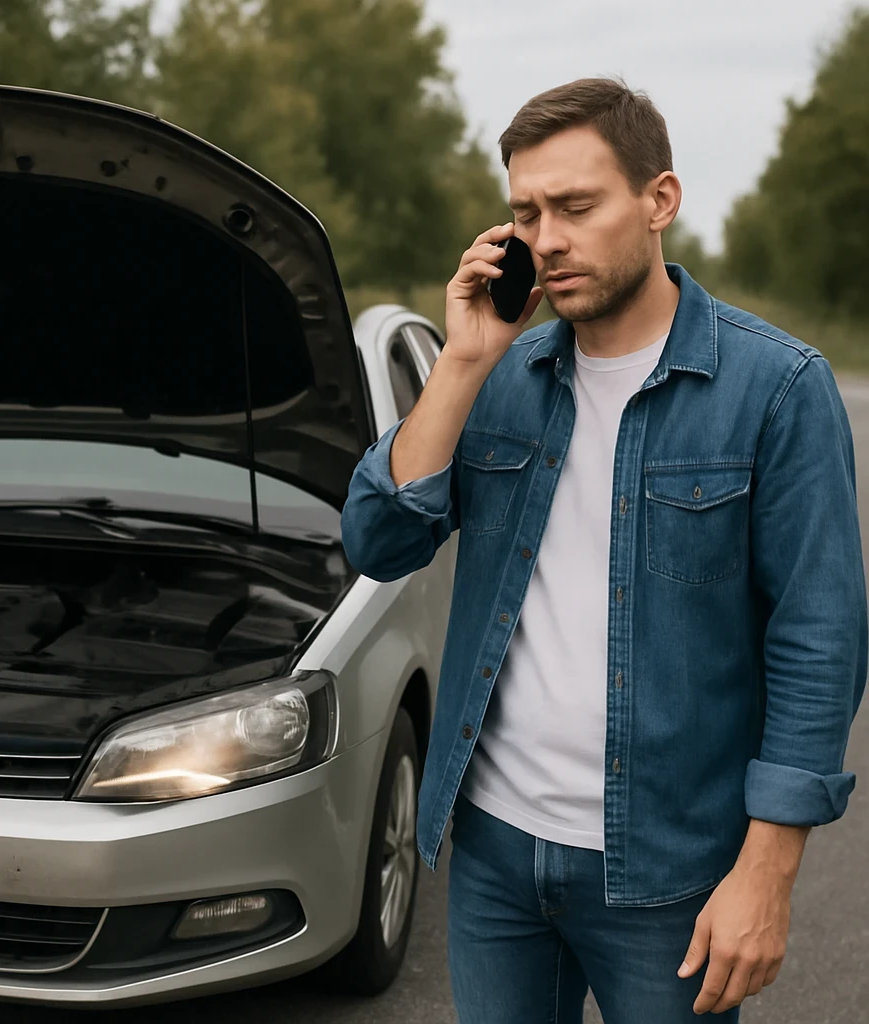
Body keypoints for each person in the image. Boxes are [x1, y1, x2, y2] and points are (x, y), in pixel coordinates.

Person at [340, 77, 867, 1023]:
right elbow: (379, 541)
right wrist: (461, 361)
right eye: (526, 213)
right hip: (495, 856)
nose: (546, 238)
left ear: (659, 200)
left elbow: (819, 639)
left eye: (576, 206)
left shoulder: (778, 388)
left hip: (670, 873)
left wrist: (768, 872)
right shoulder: (499, 382)